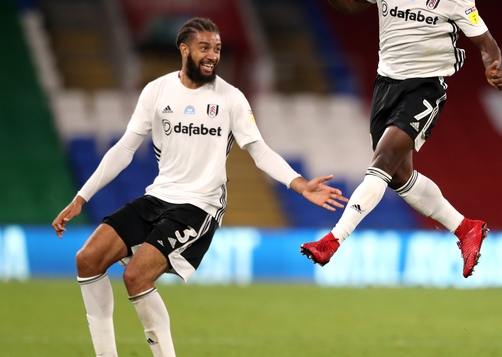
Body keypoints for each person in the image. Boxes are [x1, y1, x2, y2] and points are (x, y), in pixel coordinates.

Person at [51, 18, 348, 357]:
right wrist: (81, 197)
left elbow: (259, 150)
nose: (212, 55)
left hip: (200, 205)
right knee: (87, 259)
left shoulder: (231, 99)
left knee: (136, 277)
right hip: (159, 196)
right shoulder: (157, 91)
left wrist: (300, 185)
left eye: (217, 49)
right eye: (205, 48)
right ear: (184, 49)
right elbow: (124, 149)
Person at [299, 0, 502, 278]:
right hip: (386, 86)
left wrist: (492, 67)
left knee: (383, 159)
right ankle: (465, 228)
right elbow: (351, 3)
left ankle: (333, 240)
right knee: (397, 176)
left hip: (424, 88)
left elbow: (486, 43)